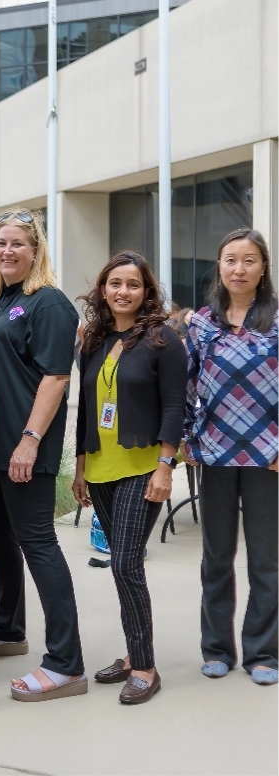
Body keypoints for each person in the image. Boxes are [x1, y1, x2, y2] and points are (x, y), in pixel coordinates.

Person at [0, 209, 86, 702]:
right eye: (1, 244)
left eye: (18, 244)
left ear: (36, 251)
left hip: (22, 447)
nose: (8, 251)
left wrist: (30, 439)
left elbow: (56, 377)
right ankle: (9, 628)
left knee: (38, 545)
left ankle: (65, 664)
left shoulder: (50, 303)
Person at [72, 251, 187, 705]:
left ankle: (144, 667)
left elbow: (176, 406)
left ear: (147, 292)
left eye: (133, 284)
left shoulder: (163, 340)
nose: (123, 291)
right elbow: (85, 407)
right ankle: (132, 650)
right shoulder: (94, 340)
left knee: (125, 563)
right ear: (103, 290)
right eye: (115, 283)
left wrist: (165, 465)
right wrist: (80, 468)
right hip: (101, 469)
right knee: (123, 568)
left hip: (143, 469)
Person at [184, 228, 278, 686]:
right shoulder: (201, 323)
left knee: (266, 561)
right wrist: (186, 440)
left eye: (249, 260)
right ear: (219, 267)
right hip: (215, 454)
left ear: (263, 268)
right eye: (230, 260)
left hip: (269, 457)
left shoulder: (278, 319)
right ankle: (216, 648)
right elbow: (186, 386)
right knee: (216, 558)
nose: (239, 269)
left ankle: (263, 653)